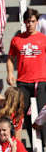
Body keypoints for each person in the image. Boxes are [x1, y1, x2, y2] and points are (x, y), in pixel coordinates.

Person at [7, 8, 46, 144]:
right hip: (23, 81)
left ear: (37, 22)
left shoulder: (43, 39)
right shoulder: (17, 40)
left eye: (33, 21)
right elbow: (10, 58)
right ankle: (20, 146)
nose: (30, 24)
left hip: (41, 81)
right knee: (20, 113)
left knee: (43, 113)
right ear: (24, 22)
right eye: (28, 21)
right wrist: (10, 73)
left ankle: (45, 147)